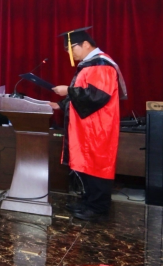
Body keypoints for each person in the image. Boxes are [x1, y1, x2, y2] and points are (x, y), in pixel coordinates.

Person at [53, 28, 126, 221]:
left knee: (97, 166)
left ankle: (98, 209)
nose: (70, 53)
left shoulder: (101, 64)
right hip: (88, 127)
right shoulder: (90, 64)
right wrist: (61, 104)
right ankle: (87, 203)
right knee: (87, 165)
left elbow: (96, 96)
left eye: (71, 49)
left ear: (85, 44)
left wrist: (68, 91)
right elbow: (83, 93)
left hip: (98, 127)